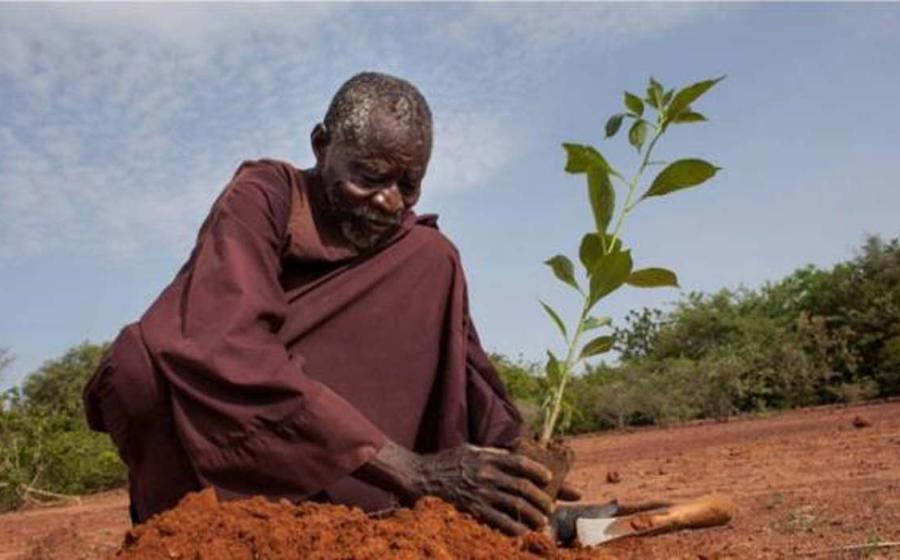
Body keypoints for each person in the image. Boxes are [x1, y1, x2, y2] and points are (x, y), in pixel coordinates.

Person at [84, 72, 579, 536]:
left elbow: (465, 365)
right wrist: (412, 469)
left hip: (339, 452)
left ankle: (381, 512)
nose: (389, 201)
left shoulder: (414, 251)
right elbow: (223, 343)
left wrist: (519, 465)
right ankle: (195, 530)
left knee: (432, 257)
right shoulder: (264, 197)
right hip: (227, 438)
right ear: (321, 146)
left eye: (407, 185)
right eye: (368, 176)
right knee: (139, 364)